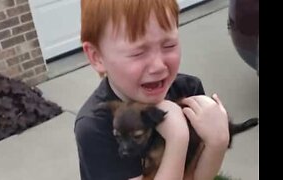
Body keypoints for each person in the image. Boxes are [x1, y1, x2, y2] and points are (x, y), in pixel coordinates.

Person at [74, 0, 230, 179]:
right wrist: (177, 139)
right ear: (97, 57)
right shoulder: (96, 126)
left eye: (169, 45)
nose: (158, 66)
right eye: (137, 53)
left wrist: (217, 143)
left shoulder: (187, 91)